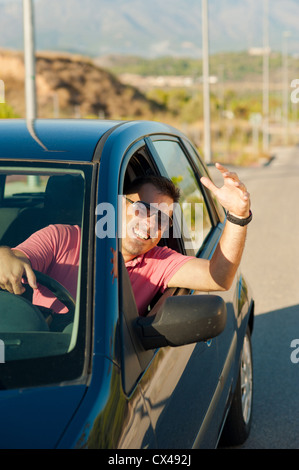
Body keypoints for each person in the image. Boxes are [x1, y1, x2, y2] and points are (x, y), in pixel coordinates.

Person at [0, 163, 251, 317]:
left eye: (163, 219)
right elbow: (17, 257)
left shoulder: (158, 262)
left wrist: (238, 216)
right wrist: (5, 255)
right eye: (142, 208)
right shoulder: (62, 237)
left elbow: (218, 277)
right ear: (117, 204)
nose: (151, 224)